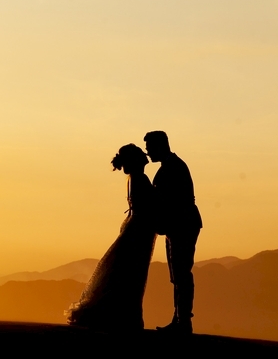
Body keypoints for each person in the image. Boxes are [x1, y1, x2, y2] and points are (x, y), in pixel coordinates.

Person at [68, 144, 158, 331]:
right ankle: (122, 316)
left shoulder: (134, 178)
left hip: (137, 227)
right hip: (139, 230)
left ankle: (120, 315)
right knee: (130, 273)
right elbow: (148, 205)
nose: (145, 157)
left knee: (125, 272)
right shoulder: (139, 178)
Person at [144, 131, 202, 334]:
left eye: (150, 148)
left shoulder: (175, 167)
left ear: (160, 146)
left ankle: (183, 321)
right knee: (177, 274)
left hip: (183, 225)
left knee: (181, 273)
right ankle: (179, 319)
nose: (148, 152)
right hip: (176, 226)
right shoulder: (170, 167)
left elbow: (175, 200)